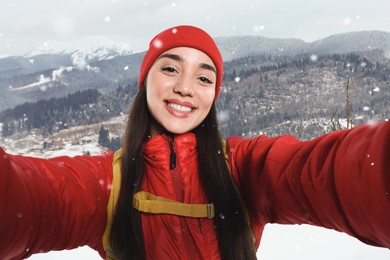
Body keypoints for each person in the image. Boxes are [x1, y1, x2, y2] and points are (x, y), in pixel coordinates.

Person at [0, 25, 389, 260]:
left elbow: (329, 172)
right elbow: (28, 197)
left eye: (204, 78)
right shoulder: (107, 184)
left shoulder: (242, 168)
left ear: (213, 94)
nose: (185, 87)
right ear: (145, 82)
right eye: (170, 68)